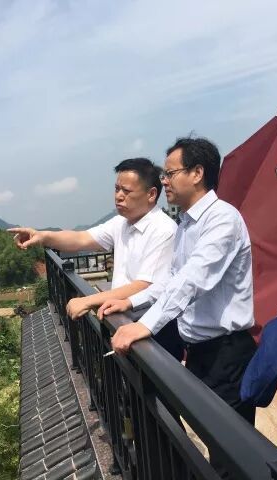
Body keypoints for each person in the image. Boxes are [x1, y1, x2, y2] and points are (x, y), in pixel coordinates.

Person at [98, 137, 257, 424]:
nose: (164, 181)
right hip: (198, 350)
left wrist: (144, 325)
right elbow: (172, 279)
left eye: (170, 174)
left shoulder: (222, 218)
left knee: (229, 443)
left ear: (197, 173)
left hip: (226, 353)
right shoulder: (186, 223)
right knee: (200, 429)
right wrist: (130, 302)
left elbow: (192, 279)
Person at [9, 157, 184, 360]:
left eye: (126, 191)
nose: (118, 196)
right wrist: (42, 236)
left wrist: (89, 300)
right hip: (125, 324)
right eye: (116, 189)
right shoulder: (122, 223)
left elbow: (143, 286)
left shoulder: (163, 230)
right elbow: (81, 239)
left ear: (151, 194)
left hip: (154, 330)